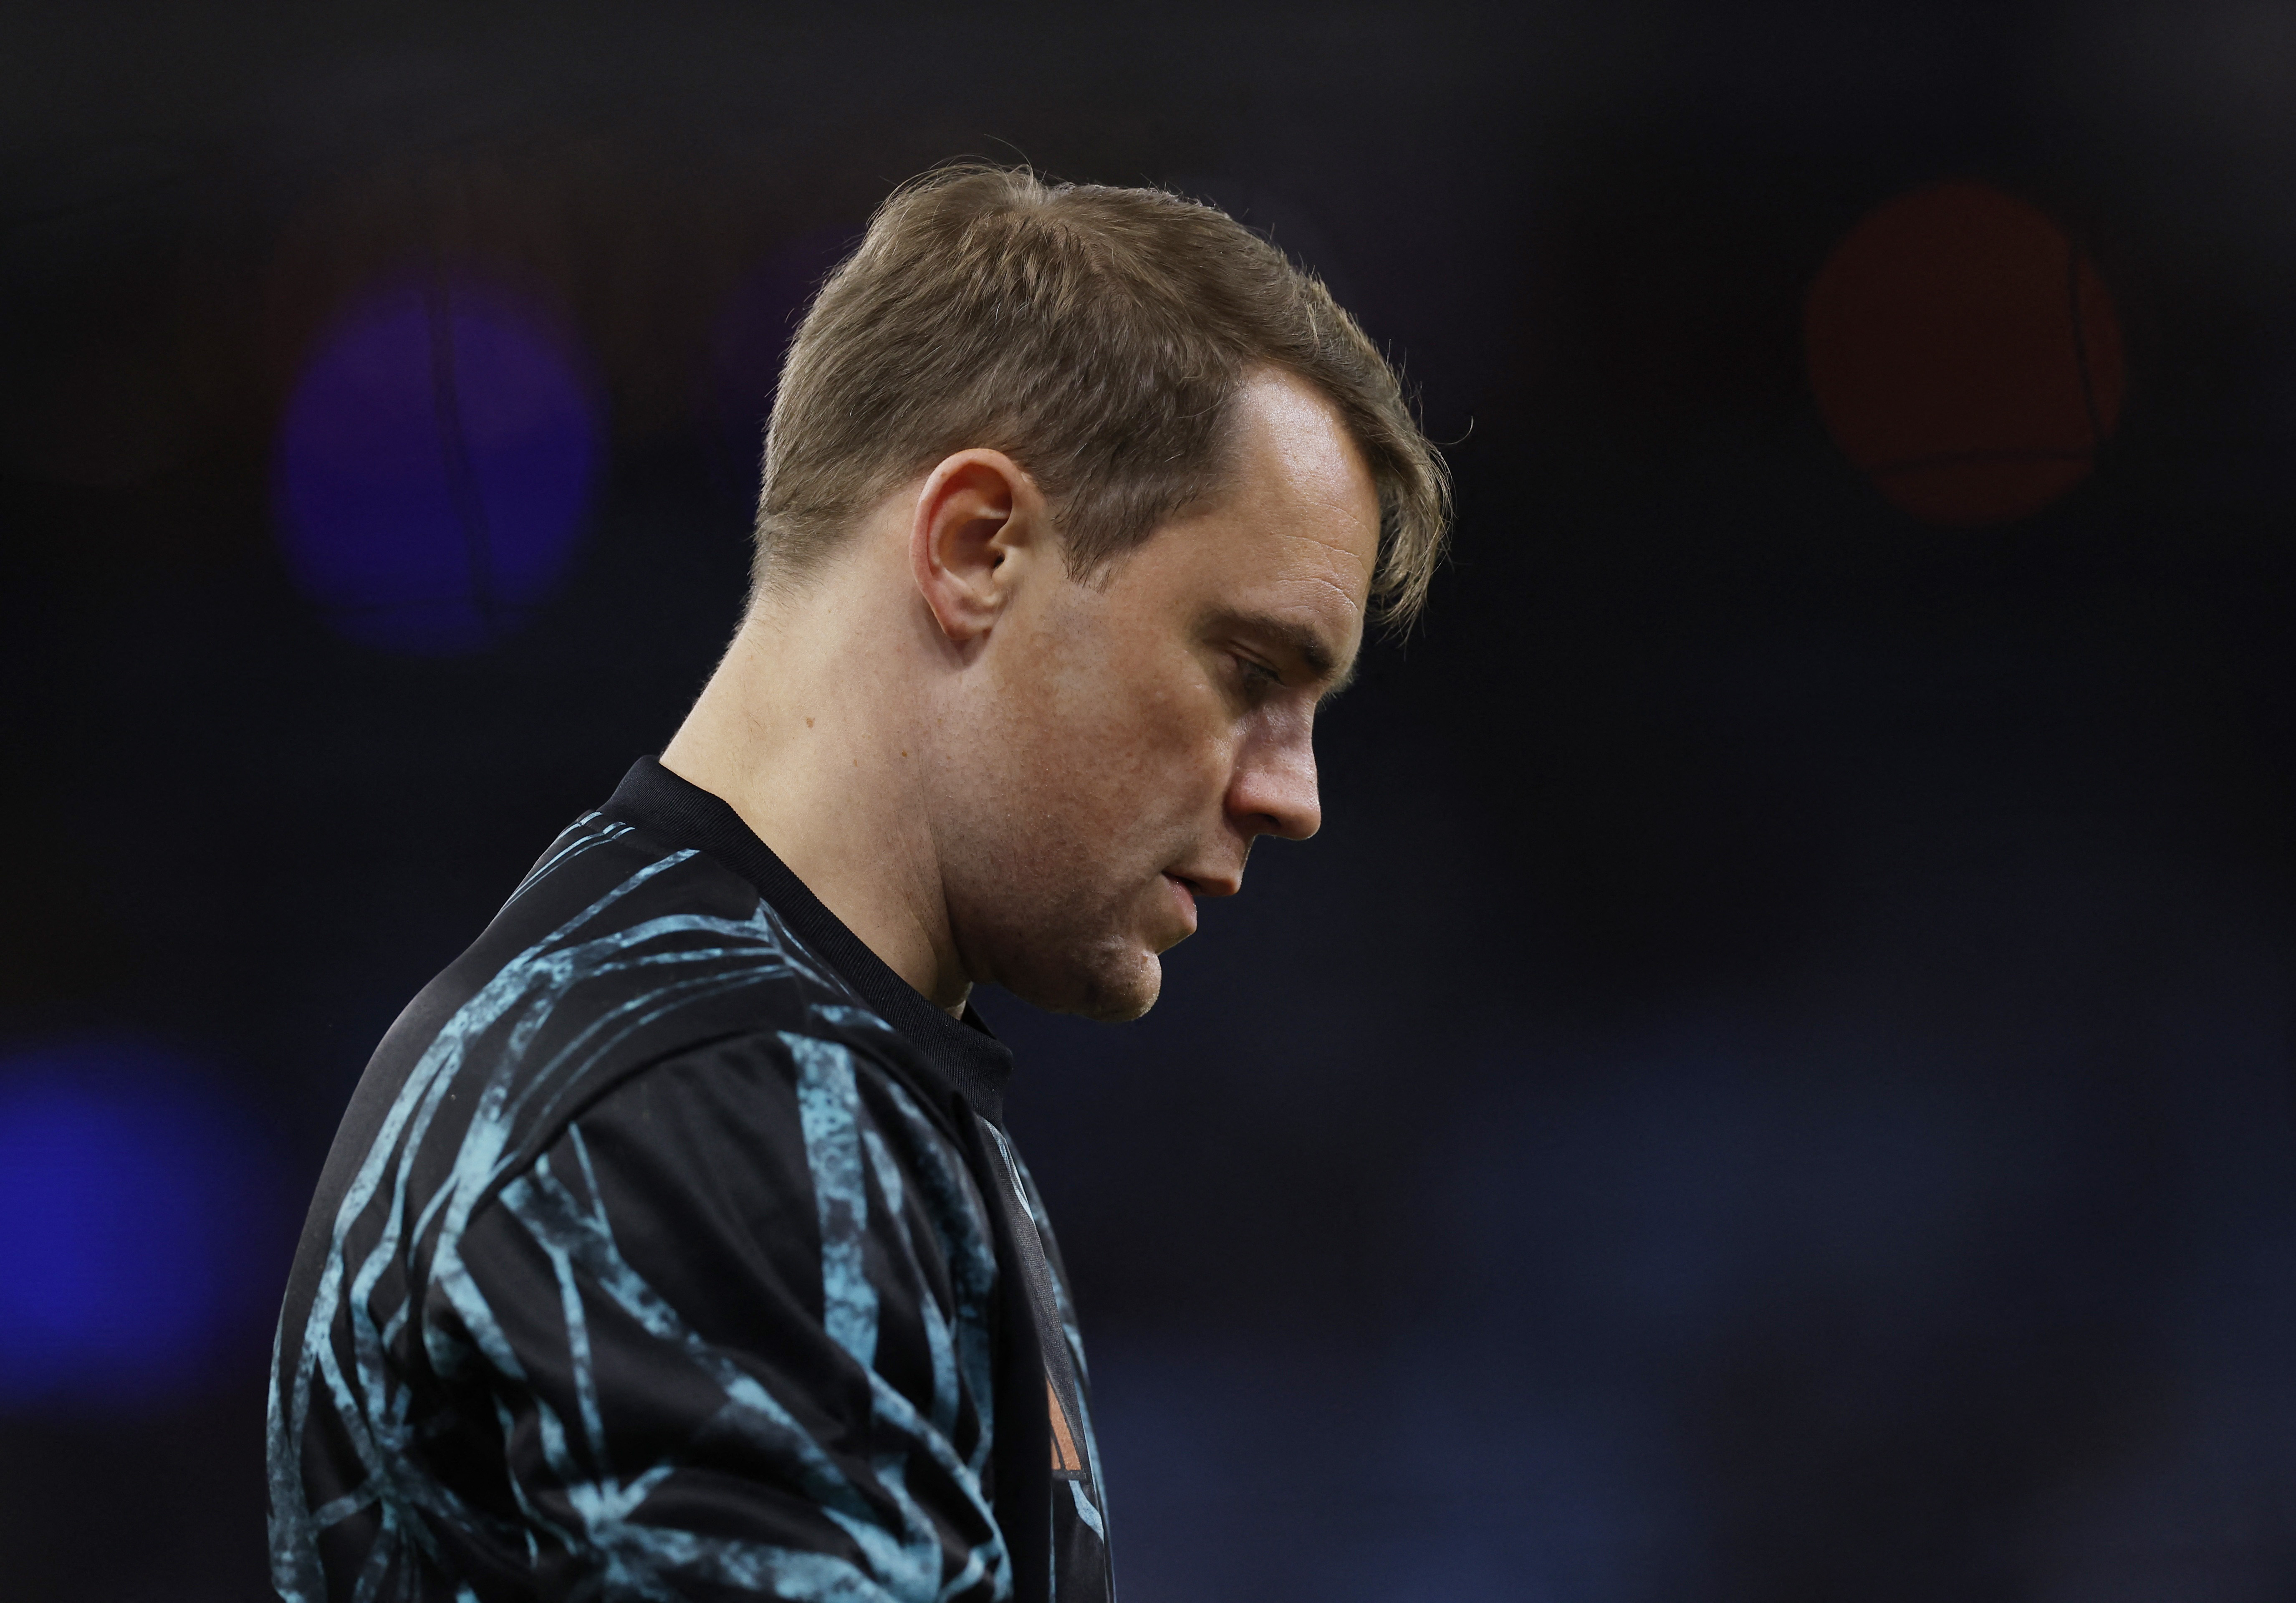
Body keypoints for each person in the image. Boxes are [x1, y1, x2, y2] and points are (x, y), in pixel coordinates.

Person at [265, 164, 1450, 1603]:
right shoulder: (714, 1110)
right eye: (1248, 671)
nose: (1294, 796)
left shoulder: (744, 1051)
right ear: (975, 547)